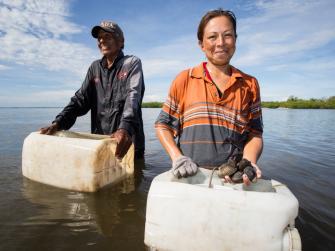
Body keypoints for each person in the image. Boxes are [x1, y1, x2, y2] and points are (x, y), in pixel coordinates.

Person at [155, 9, 263, 185]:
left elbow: (255, 134)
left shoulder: (250, 84)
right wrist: (177, 157)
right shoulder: (184, 79)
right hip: (190, 178)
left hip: (232, 181)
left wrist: (248, 161)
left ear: (235, 40)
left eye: (227, 35)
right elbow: (162, 125)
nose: (220, 43)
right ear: (201, 44)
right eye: (212, 37)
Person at [40, 20, 145, 159]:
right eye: (99, 37)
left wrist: (124, 129)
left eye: (107, 36)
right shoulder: (94, 68)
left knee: (133, 178)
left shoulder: (131, 63)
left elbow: (134, 97)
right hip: (102, 144)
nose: (101, 40)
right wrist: (58, 123)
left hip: (128, 144)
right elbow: (80, 100)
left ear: (121, 41)